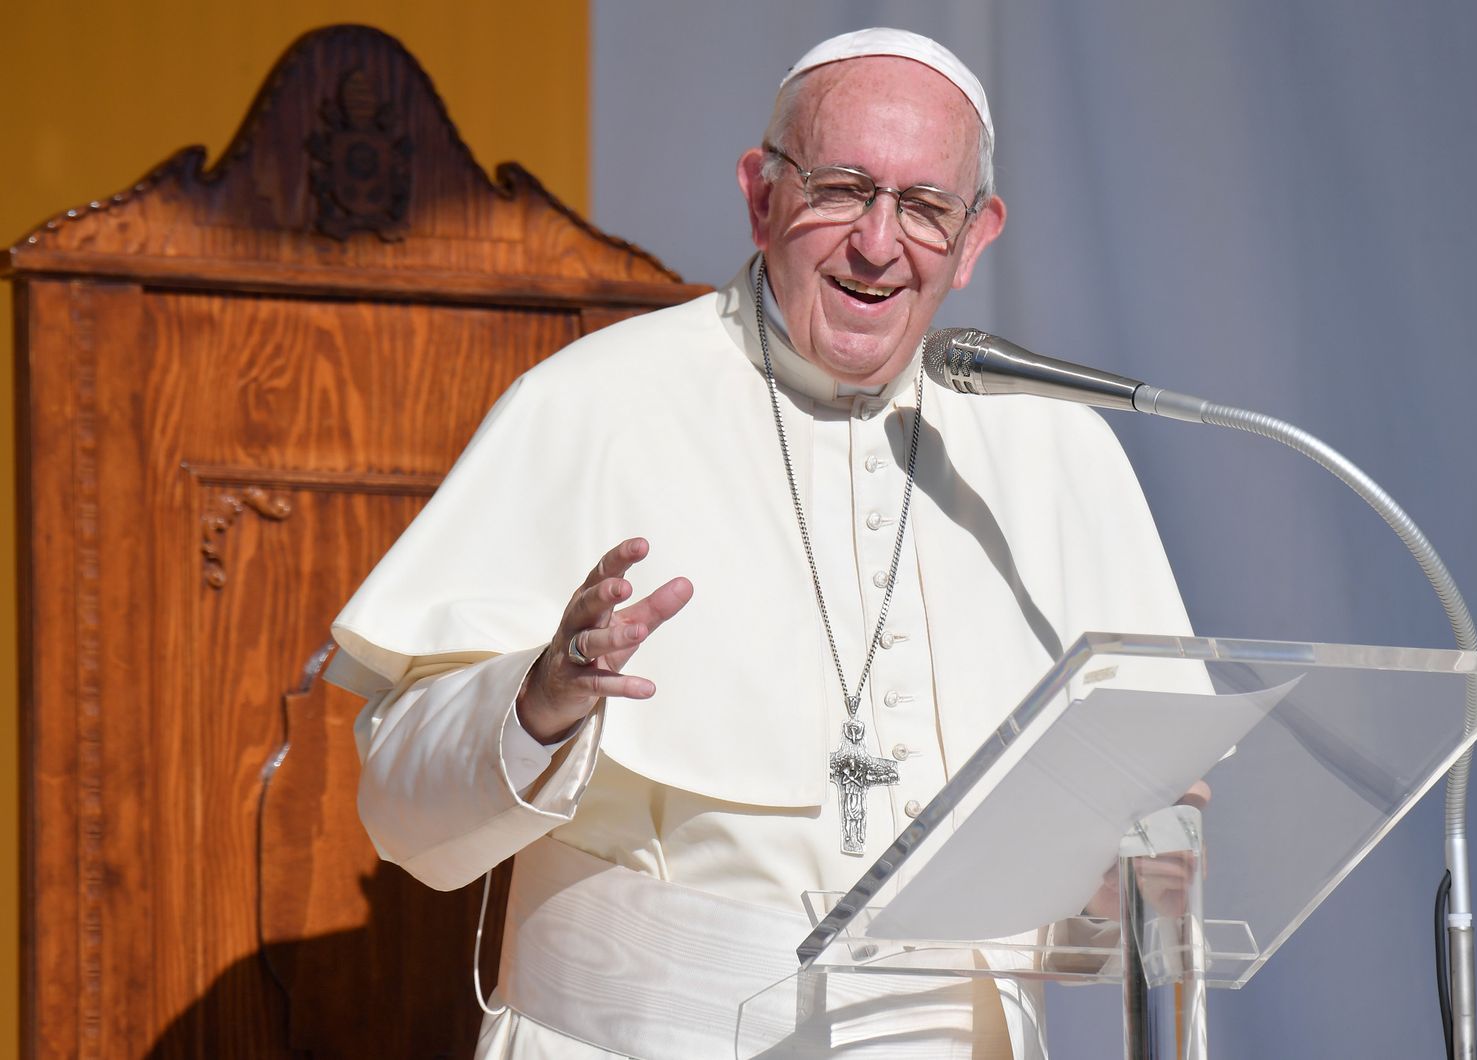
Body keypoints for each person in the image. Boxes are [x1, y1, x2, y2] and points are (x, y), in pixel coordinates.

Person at [327, 27, 1199, 1059]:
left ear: (975, 239)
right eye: (841, 188)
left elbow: (1137, 853)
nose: (879, 244)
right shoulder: (591, 405)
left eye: (925, 207)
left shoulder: (1060, 453)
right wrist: (538, 700)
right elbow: (400, 810)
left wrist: (1121, 886)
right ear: (760, 195)